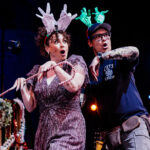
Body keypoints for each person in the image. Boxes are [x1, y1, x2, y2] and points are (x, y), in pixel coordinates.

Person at [13, 3, 89, 150]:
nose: (62, 45)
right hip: (44, 134)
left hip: (70, 130)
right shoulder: (37, 71)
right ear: (47, 48)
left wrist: (55, 66)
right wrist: (23, 86)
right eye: (56, 42)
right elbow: (30, 106)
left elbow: (73, 86)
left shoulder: (74, 62)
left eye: (65, 41)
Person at [84, 22, 150, 150]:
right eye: (98, 36)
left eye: (106, 35)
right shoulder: (90, 72)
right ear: (90, 43)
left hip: (133, 128)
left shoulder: (119, 59)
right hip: (111, 138)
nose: (104, 38)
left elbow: (134, 51)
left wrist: (101, 57)